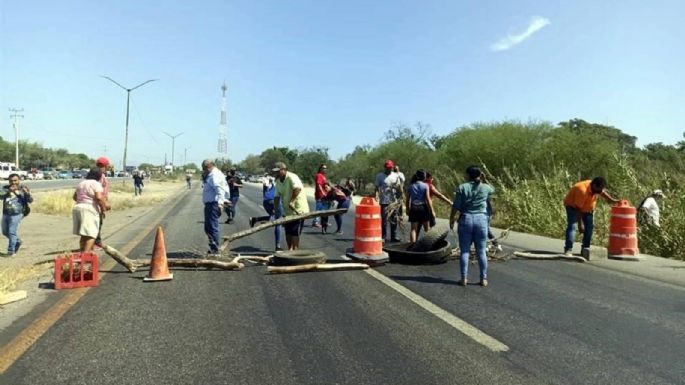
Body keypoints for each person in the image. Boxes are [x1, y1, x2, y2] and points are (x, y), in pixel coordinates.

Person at [449, 166, 494, 287]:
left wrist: (451, 218)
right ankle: (483, 279)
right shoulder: (485, 187)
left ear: (468, 175)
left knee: (464, 251)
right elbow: (493, 190)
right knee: (481, 251)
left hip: (466, 219)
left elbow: (456, 206)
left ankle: (464, 278)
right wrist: (485, 179)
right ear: (480, 175)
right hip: (481, 220)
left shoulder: (462, 187)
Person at [563, 176, 620, 258]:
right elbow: (578, 209)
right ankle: (568, 250)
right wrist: (580, 224)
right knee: (572, 226)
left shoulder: (597, 187)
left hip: (587, 209)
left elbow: (603, 193)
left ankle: (585, 250)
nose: (600, 191)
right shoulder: (582, 190)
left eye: (601, 189)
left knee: (589, 228)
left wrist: (612, 200)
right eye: (599, 189)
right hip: (573, 207)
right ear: (594, 185)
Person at [273, 162, 309, 250]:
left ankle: (295, 251)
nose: (276, 173)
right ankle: (290, 249)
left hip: (298, 209)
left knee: (294, 231)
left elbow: (297, 188)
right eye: (276, 172)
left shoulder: (292, 177)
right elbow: (277, 196)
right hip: (287, 210)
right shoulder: (278, 181)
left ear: (284, 170)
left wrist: (292, 201)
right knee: (288, 231)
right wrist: (275, 209)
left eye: (278, 171)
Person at [72, 168, 108, 252]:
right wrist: (104, 207)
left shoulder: (81, 183)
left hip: (78, 208)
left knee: (84, 235)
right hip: (89, 209)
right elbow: (99, 197)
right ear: (99, 176)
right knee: (92, 234)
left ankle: (82, 254)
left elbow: (74, 197)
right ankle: (86, 256)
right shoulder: (96, 184)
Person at [202, 159, 230, 256]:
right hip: (210, 204)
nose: (204, 171)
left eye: (204, 168)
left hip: (213, 204)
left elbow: (220, 190)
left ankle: (215, 250)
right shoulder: (213, 174)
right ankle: (213, 247)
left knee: (212, 227)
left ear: (209, 167)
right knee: (208, 227)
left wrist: (221, 203)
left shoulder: (215, 175)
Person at [0, 174, 33, 256]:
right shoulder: (5, 188)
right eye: (11, 181)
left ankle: (11, 251)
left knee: (11, 232)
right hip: (6, 213)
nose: (13, 182)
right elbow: (0, 196)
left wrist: (27, 194)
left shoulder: (23, 188)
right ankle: (17, 241)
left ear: (19, 180)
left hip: (17, 213)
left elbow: (30, 200)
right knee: (4, 232)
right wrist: (9, 191)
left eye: (15, 180)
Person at [249, 175, 284, 251]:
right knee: (278, 221)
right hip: (275, 200)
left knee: (274, 218)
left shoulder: (267, 181)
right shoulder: (277, 181)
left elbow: (266, 185)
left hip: (266, 202)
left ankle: (255, 219)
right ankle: (278, 246)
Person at [375, 160, 404, 242]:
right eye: (388, 168)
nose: (389, 169)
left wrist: (400, 197)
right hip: (384, 201)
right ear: (385, 167)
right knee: (384, 220)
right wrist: (376, 195)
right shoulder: (379, 176)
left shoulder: (395, 176)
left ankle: (393, 236)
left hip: (393, 201)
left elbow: (399, 188)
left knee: (394, 219)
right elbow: (377, 187)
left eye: (390, 168)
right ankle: (383, 236)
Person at [406, 170, 433, 244]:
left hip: (414, 208)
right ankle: (429, 245)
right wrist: (432, 211)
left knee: (413, 229)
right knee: (427, 229)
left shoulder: (411, 186)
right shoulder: (425, 185)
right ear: (423, 177)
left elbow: (408, 199)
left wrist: (407, 209)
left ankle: (412, 246)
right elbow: (428, 199)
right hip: (423, 208)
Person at [94, 157, 111, 246]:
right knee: (98, 222)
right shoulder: (100, 176)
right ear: (105, 165)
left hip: (99, 200)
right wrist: (103, 205)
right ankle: (97, 242)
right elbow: (100, 191)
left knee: (98, 222)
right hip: (99, 201)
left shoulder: (99, 174)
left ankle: (96, 241)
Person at [312, 164, 329, 228]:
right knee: (318, 209)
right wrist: (322, 192)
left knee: (323, 209)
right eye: (323, 168)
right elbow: (319, 185)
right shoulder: (319, 175)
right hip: (320, 195)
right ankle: (315, 222)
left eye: (326, 168)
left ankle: (324, 222)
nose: (325, 169)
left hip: (324, 196)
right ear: (320, 169)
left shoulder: (323, 176)